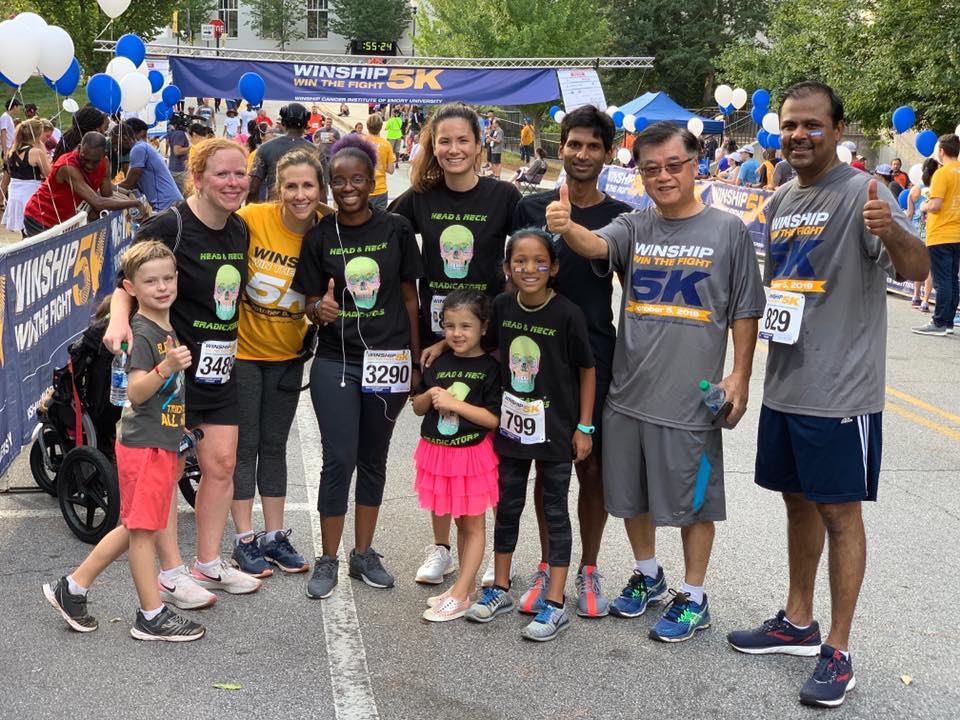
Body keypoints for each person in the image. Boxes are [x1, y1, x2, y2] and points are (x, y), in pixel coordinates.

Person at [726, 81, 928, 708]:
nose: (799, 135)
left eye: (812, 125)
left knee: (840, 512)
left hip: (842, 393)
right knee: (796, 502)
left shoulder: (867, 191)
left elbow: (917, 268)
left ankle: (837, 648)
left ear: (838, 130)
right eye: (790, 125)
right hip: (789, 384)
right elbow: (776, 291)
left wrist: (890, 231)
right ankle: (798, 621)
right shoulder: (784, 196)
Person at [547, 121, 765, 645]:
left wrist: (740, 373)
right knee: (632, 495)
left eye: (674, 165)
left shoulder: (727, 230)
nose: (664, 176)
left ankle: (694, 598)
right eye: (651, 169)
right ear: (638, 174)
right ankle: (649, 574)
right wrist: (565, 223)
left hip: (691, 401)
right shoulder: (635, 224)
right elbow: (595, 246)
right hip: (627, 396)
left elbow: (744, 309)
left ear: (696, 166)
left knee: (695, 503)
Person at [105, 138, 263, 609]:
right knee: (168, 470)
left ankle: (208, 562)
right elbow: (124, 283)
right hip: (169, 368)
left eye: (240, 174)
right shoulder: (169, 224)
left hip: (219, 365)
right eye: (222, 174)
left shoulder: (239, 230)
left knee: (222, 463)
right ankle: (171, 573)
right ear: (197, 178)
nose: (234, 183)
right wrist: (118, 319)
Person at [43, 241, 204, 641]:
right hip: (144, 446)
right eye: (151, 281)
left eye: (168, 278)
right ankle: (150, 615)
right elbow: (135, 392)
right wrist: (166, 366)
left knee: (136, 527)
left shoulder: (165, 325)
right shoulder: (144, 332)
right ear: (130, 288)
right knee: (142, 531)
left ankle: (74, 587)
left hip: (159, 441)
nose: (163, 287)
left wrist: (177, 425)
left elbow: (168, 394)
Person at [390, 103, 520, 585]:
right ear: (432, 147)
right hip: (437, 342)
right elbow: (377, 232)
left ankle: (485, 549)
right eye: (443, 141)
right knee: (444, 438)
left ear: (479, 144)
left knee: (489, 447)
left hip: (488, 344)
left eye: (462, 140)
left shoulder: (504, 196)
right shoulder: (420, 198)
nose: (453, 149)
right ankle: (442, 547)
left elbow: (533, 251)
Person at [512, 105, 632, 619]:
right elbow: (511, 278)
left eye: (592, 146)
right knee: (548, 467)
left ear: (608, 153)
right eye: (573, 144)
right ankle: (548, 564)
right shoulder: (530, 207)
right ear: (559, 148)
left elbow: (637, 295)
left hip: (596, 358)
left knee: (593, 467)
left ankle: (589, 567)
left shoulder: (623, 216)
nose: (581, 154)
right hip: (536, 358)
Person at [292, 136, 423, 600]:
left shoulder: (397, 230)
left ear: (372, 181)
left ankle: (363, 553)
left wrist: (414, 359)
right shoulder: (319, 237)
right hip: (336, 359)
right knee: (339, 457)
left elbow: (410, 298)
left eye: (357, 179)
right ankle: (328, 557)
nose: (348, 187)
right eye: (339, 180)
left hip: (388, 359)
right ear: (330, 185)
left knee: (373, 458)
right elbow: (309, 301)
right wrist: (317, 311)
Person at [464, 228, 595, 642]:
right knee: (508, 505)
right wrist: (439, 351)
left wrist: (584, 426)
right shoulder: (502, 306)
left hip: (556, 432)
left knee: (555, 509)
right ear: (507, 268)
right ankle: (500, 586)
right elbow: (483, 349)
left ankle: (555, 602)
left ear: (554, 267)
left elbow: (587, 370)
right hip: (512, 429)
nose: (530, 268)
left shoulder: (568, 314)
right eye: (519, 261)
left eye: (540, 261)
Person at [229, 149, 332, 578]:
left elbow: (314, 299)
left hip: (289, 356)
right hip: (243, 354)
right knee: (244, 446)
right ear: (277, 189)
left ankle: (273, 536)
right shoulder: (253, 218)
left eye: (308, 185)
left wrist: (321, 310)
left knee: (275, 445)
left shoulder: (327, 229)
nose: (299, 194)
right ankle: (243, 539)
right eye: (291, 186)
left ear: (319, 189)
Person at [412, 290, 501, 622]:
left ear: (483, 327)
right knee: (460, 523)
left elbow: (493, 419)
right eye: (449, 326)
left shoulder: (490, 368)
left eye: (466, 326)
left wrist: (457, 405)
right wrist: (431, 394)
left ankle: (462, 592)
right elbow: (419, 407)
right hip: (440, 452)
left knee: (473, 525)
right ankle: (463, 588)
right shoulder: (440, 363)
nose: (457, 333)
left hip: (471, 455)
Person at [22, 131, 145, 236]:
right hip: (40, 217)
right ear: (80, 149)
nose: (89, 165)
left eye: (95, 162)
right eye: (85, 159)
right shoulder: (67, 166)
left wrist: (128, 196)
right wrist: (133, 203)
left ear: (103, 156)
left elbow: (107, 195)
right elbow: (98, 203)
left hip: (64, 221)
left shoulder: (104, 163)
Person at [913, 134, 960, 336]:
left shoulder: (942, 174)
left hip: (941, 233)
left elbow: (935, 204)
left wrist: (923, 205)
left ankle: (939, 321)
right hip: (957, 233)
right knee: (952, 279)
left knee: (942, 281)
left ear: (941, 151)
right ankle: (948, 321)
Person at [249, 103, 316, 203]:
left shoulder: (265, 148)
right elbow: (322, 193)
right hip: (304, 211)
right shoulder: (315, 151)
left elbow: (253, 189)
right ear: (306, 123)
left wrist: (249, 216)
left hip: (273, 210)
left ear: (283, 122)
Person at [118, 118, 184, 212]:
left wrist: (107, 190)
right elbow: (135, 186)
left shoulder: (139, 148)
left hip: (167, 205)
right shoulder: (142, 147)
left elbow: (129, 183)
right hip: (168, 204)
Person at [2, 118, 52, 234]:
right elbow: (48, 174)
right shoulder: (36, 152)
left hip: (15, 195)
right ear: (38, 134)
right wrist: (44, 152)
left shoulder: (12, 151)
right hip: (30, 195)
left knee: (24, 231)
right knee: (34, 231)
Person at [906, 158, 939, 311]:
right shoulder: (937, 189)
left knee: (919, 265)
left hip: (915, 231)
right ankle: (925, 301)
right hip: (931, 230)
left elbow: (909, 214)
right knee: (930, 268)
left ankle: (915, 296)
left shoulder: (914, 190)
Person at [365, 113, 396, 211]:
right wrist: (381, 166)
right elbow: (391, 170)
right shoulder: (386, 145)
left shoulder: (361, 142)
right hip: (380, 189)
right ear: (381, 126)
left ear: (367, 125)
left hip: (363, 188)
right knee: (380, 222)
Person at [1, 97, 22, 207]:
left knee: (7, 177)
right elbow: (3, 134)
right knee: (7, 178)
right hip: (7, 150)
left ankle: (1, 201)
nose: (18, 109)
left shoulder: (8, 118)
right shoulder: (5, 117)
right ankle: (1, 202)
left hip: (10, 150)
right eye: (18, 107)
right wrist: (5, 152)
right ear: (14, 106)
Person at [313, 116, 342, 193]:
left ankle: (332, 188)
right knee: (321, 173)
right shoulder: (319, 131)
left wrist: (334, 140)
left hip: (331, 155)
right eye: (327, 122)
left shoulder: (335, 132)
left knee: (330, 173)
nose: (328, 123)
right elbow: (314, 137)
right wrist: (316, 143)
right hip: (322, 155)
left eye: (330, 122)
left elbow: (340, 143)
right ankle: (323, 189)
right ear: (324, 123)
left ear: (331, 123)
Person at [166, 117, 191, 195]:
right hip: (179, 170)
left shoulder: (172, 133)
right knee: (186, 194)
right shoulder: (179, 134)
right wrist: (194, 148)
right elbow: (177, 151)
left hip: (174, 167)